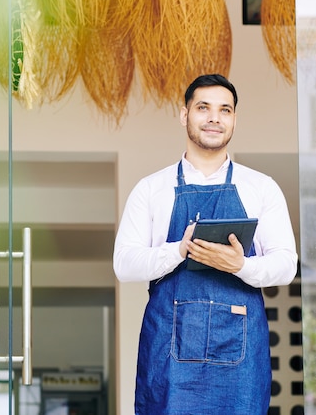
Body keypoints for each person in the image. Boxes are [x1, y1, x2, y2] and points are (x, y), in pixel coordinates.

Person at [113, 74, 298, 415]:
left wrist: (241, 266)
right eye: (203, 108)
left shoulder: (261, 187)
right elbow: (124, 264)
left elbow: (286, 264)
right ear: (185, 115)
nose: (215, 117)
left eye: (224, 110)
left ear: (234, 120)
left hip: (240, 360)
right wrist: (178, 250)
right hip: (168, 357)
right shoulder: (151, 188)